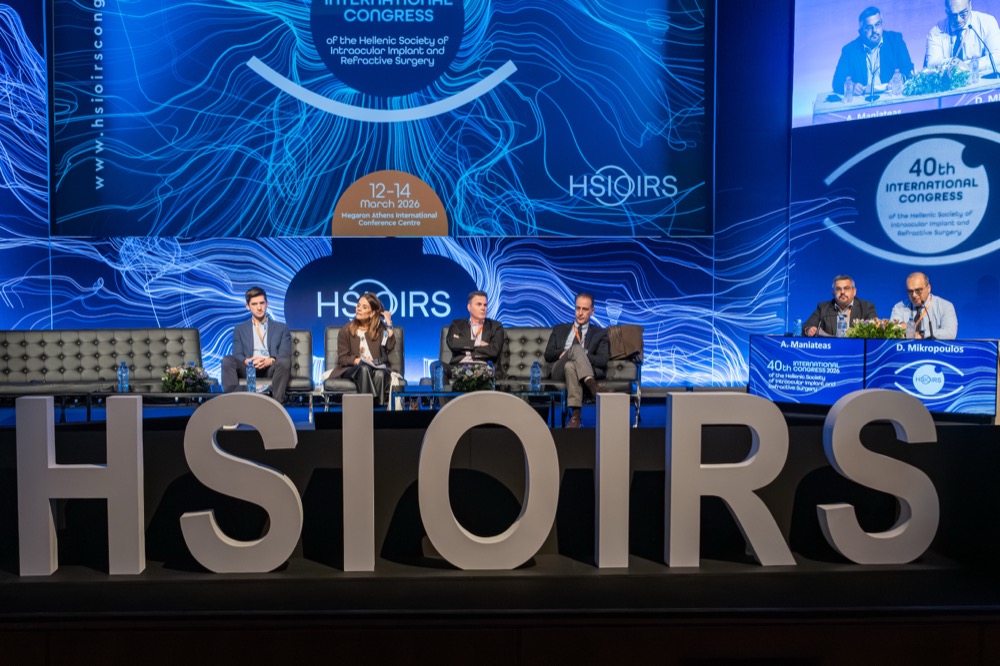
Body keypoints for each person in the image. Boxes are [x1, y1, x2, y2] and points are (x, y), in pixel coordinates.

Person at [544, 293, 609, 429]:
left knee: (571, 365)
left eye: (585, 309)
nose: (580, 313)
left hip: (576, 370)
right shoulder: (559, 329)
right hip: (558, 370)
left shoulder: (600, 333)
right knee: (574, 350)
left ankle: (575, 417)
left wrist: (582, 354)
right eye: (578, 308)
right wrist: (564, 353)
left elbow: (602, 360)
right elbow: (548, 354)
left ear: (592, 311)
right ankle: (592, 386)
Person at [221, 286, 292, 402]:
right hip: (249, 368)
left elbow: (285, 353)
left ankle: (276, 404)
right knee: (227, 360)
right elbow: (237, 354)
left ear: (267, 304)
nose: (259, 308)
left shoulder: (281, 328)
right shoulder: (240, 329)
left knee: (285, 361)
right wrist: (249, 361)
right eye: (254, 304)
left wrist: (269, 360)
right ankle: (233, 403)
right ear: (248, 306)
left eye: (262, 303)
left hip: (270, 369)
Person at [329, 291, 396, 406]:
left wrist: (389, 323)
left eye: (364, 307)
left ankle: (372, 411)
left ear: (372, 313)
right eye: (358, 305)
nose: (359, 309)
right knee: (364, 368)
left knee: (380, 374)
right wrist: (358, 360)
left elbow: (389, 346)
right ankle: (369, 408)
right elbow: (343, 358)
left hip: (376, 367)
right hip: (353, 369)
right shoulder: (345, 331)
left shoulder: (379, 330)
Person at [832, 7, 914, 97]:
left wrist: (901, 78)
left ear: (882, 24)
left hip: (891, 96)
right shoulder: (850, 50)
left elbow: (908, 70)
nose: (874, 30)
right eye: (869, 27)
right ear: (861, 31)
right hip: (863, 99)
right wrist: (852, 86)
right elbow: (837, 82)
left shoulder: (895, 41)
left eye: (877, 24)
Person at [925, 0, 1000, 74]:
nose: (958, 19)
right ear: (947, 12)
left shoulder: (987, 22)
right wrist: (954, 63)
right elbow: (931, 63)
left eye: (963, 13)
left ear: (970, 5)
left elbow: (997, 56)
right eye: (953, 15)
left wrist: (969, 66)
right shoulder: (936, 32)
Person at [446, 290, 504, 375]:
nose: (483, 308)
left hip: (484, 367)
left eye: (485, 305)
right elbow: (452, 343)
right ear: (469, 307)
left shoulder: (495, 326)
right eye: (479, 304)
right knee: (436, 366)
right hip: (458, 367)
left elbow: (494, 350)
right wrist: (478, 343)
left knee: (479, 373)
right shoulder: (457, 324)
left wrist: (464, 345)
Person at [803, 275, 878, 337]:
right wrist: (809, 330)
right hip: (831, 349)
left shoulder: (866, 307)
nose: (842, 292)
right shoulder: (823, 308)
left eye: (846, 288)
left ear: (854, 291)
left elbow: (874, 330)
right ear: (833, 292)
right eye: (838, 289)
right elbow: (806, 326)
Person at [891, 272, 959, 340]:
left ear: (928, 288)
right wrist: (900, 327)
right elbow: (892, 331)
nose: (914, 295)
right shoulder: (899, 307)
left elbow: (950, 333)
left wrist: (922, 335)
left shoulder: (945, 306)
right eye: (910, 291)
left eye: (918, 290)